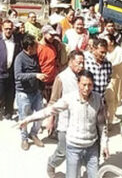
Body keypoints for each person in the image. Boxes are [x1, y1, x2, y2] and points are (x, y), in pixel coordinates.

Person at [19, 70, 109, 178]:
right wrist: (28, 119)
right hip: (73, 148)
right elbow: (49, 110)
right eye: (83, 85)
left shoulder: (98, 99)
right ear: (78, 84)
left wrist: (104, 144)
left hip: (92, 148)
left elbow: (102, 125)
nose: (86, 88)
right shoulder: (70, 98)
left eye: (89, 85)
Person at [46, 49, 85, 178]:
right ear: (70, 62)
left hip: (80, 121)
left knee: (77, 153)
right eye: (78, 63)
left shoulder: (83, 77)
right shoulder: (62, 78)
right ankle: (52, 163)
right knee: (63, 151)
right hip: (65, 122)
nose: (81, 66)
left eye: (83, 63)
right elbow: (53, 101)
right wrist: (51, 120)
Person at [14, 34, 46, 150]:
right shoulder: (19, 58)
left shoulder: (35, 56)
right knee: (24, 117)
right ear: (29, 48)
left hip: (36, 91)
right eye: (34, 46)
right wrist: (35, 75)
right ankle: (24, 139)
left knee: (41, 115)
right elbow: (18, 76)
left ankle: (33, 133)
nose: (36, 48)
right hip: (24, 93)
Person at [102, 34, 122, 124]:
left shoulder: (121, 52)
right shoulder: (103, 52)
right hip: (108, 80)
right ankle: (109, 119)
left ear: (112, 42)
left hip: (119, 80)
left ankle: (111, 116)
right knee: (109, 99)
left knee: (116, 100)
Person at [37, 25, 60, 102]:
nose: (53, 37)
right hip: (41, 82)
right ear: (44, 34)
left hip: (52, 81)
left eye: (54, 35)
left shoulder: (53, 47)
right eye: (51, 35)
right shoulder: (38, 48)